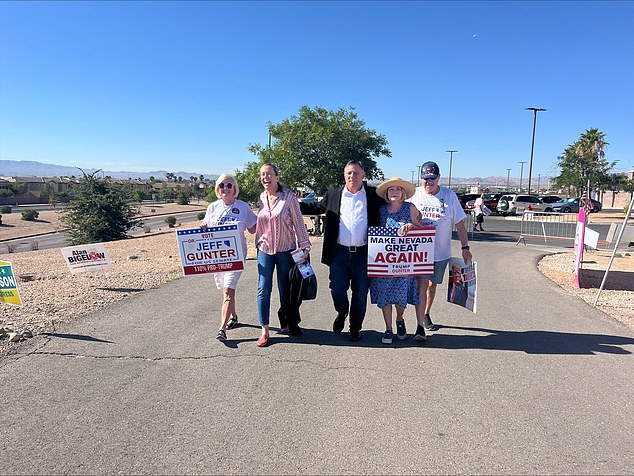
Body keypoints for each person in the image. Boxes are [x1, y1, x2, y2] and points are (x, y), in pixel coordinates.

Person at [299, 160, 384, 342]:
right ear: (344, 175)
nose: (351, 176)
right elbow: (314, 208)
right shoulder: (333, 195)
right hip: (339, 253)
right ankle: (342, 311)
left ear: (363, 175)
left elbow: (393, 206)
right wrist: (291, 202)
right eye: (348, 173)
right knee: (337, 289)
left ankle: (355, 328)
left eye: (355, 173)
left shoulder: (373, 195)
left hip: (365, 254)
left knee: (360, 293)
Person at [409, 161, 473, 341]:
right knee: (422, 284)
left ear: (438, 178)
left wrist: (465, 248)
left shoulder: (449, 196)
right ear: (421, 179)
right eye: (425, 179)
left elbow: (460, 224)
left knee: (432, 285)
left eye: (432, 178)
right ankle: (420, 325)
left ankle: (426, 312)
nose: (428, 182)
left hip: (441, 253)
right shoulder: (414, 194)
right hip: (420, 253)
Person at [255, 163, 311, 347]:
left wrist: (305, 248)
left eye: (269, 174)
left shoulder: (289, 197)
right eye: (263, 174)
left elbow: (299, 224)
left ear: (277, 177)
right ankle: (265, 329)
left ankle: (287, 321)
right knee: (263, 288)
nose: (266, 177)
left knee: (285, 289)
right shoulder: (262, 198)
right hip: (265, 249)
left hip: (286, 250)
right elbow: (260, 224)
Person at [200, 174, 257, 342]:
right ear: (218, 189)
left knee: (227, 290)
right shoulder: (212, 207)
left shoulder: (243, 207)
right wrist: (203, 227)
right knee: (226, 290)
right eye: (222, 185)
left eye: (229, 185)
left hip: (236, 256)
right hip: (217, 257)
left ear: (235, 188)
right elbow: (206, 227)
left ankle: (222, 329)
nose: (225, 188)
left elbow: (253, 229)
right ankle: (234, 316)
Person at [369, 178, 422, 344]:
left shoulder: (410, 208)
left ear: (403, 193)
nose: (394, 192)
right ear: (386, 193)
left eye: (398, 189)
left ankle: (400, 319)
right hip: (384, 263)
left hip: (404, 263)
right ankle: (388, 329)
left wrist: (412, 227)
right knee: (385, 296)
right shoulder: (380, 210)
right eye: (391, 189)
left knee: (400, 296)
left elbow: (421, 229)